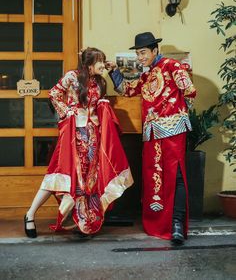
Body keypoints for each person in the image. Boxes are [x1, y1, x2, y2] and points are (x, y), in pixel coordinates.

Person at [24, 47, 133, 238]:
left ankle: (83, 220)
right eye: (100, 61)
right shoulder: (72, 76)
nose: (102, 64)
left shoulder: (100, 81)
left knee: (88, 180)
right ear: (88, 64)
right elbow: (54, 94)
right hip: (73, 135)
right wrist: (66, 111)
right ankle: (30, 214)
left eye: (103, 60)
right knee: (59, 173)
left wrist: (111, 73)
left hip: (93, 136)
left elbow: (110, 97)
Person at [106, 32, 196, 245]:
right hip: (152, 133)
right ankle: (159, 223)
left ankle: (176, 224)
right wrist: (113, 71)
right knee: (154, 177)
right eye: (138, 53)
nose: (140, 57)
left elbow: (190, 90)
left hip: (173, 129)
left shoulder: (172, 66)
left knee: (176, 176)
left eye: (143, 52)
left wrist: (180, 90)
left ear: (155, 50)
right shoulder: (146, 76)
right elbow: (127, 90)